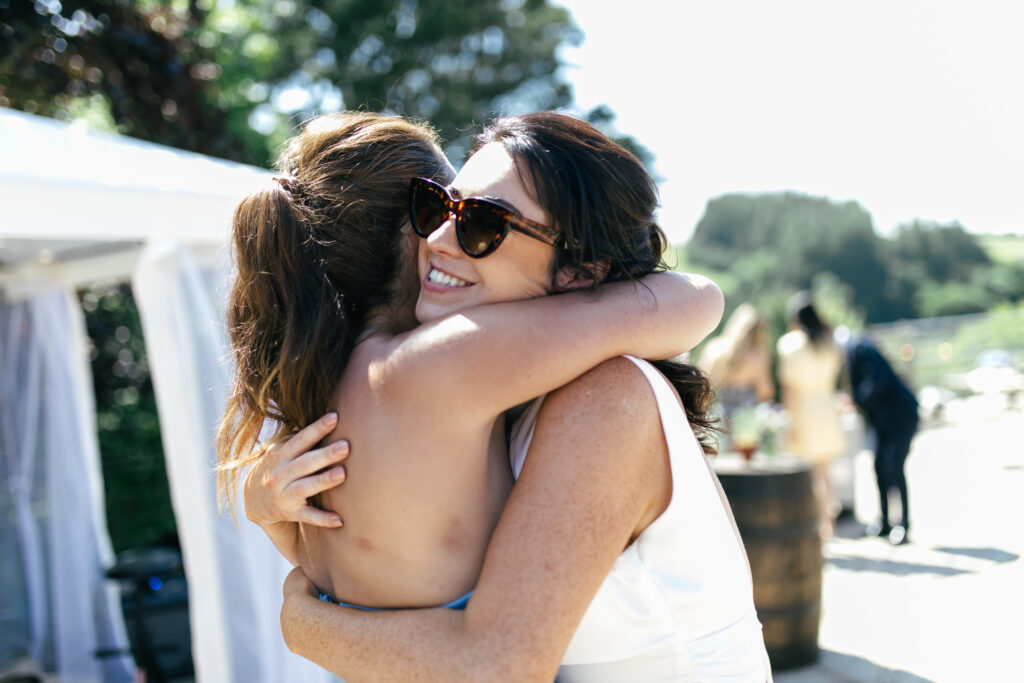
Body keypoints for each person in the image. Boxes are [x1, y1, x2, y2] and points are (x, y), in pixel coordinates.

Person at [251, 112, 771, 681]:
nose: (439, 240)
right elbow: (413, 576)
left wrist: (306, 626)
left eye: (482, 223)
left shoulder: (604, 396)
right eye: (435, 207)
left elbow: (495, 662)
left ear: (581, 270)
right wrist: (278, 515)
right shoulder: (490, 389)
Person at [776, 293, 846, 539]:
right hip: (827, 408)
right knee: (826, 470)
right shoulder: (829, 343)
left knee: (810, 473)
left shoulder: (790, 344)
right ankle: (829, 522)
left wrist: (789, 420)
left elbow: (789, 388)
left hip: (804, 410)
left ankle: (816, 524)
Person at [841, 329, 919, 545]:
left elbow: (875, 381)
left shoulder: (859, 350)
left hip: (901, 416)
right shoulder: (858, 350)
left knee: (895, 467)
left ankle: (903, 524)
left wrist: (855, 401)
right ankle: (885, 520)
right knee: (878, 467)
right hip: (884, 420)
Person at [699, 303, 775, 454]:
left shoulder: (715, 349)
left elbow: (703, 386)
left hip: (720, 414)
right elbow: (766, 390)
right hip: (746, 418)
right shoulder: (757, 355)